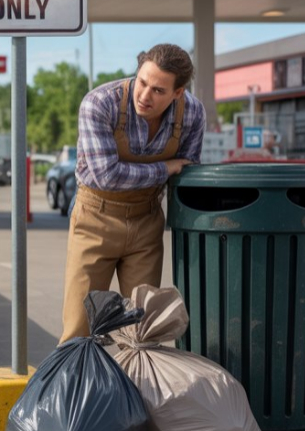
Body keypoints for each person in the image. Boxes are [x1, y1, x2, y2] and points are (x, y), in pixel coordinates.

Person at [59, 43, 205, 343]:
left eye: (158, 91)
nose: (144, 96)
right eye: (142, 82)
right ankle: (72, 390)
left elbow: (187, 171)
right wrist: (166, 168)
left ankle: (135, 391)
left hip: (146, 223)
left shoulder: (192, 112)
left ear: (178, 93)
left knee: (142, 332)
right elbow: (107, 175)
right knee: (79, 329)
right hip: (94, 220)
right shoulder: (99, 103)